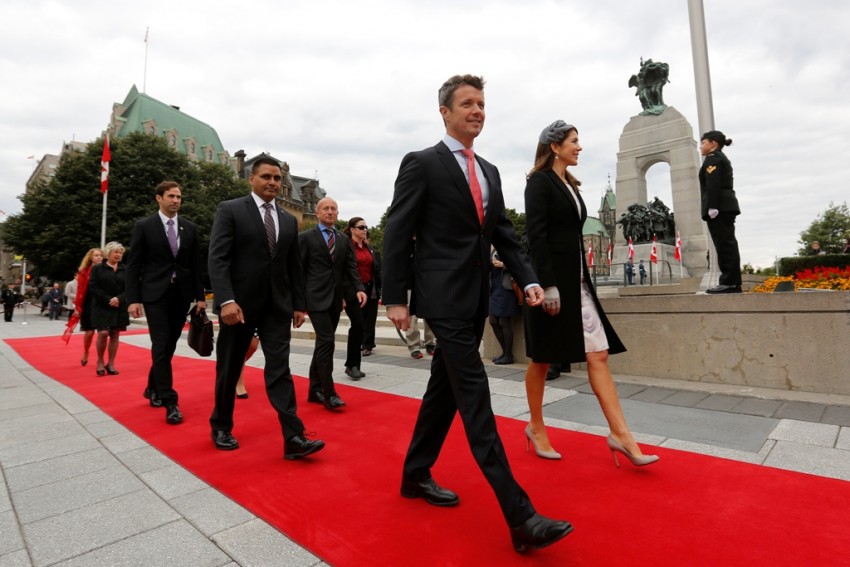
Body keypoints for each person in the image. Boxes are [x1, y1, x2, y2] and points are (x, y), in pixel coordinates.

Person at [382, 74, 571, 553]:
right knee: (474, 397)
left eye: (482, 103)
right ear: (444, 112)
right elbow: (398, 229)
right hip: (441, 297)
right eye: (467, 103)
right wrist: (395, 296)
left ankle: (415, 474)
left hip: (476, 298)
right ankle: (520, 516)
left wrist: (529, 277)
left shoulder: (489, 170)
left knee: (442, 393)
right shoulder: (421, 163)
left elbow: (502, 232)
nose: (477, 111)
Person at [523, 120, 659, 471]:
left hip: (578, 283)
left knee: (598, 355)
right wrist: (547, 284)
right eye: (573, 141)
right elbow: (536, 236)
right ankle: (535, 426)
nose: (579, 147)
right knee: (542, 358)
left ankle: (621, 435)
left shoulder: (570, 184)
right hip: (551, 284)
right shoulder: (539, 182)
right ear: (555, 147)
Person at [208, 155, 324, 459]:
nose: (273, 182)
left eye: (277, 178)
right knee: (229, 367)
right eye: (266, 177)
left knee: (280, 369)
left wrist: (298, 304)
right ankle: (221, 426)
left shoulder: (288, 220)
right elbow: (218, 258)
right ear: (252, 179)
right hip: (239, 307)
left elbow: (293, 265)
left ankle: (293, 437)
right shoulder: (230, 209)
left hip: (277, 308)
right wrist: (226, 300)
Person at [126, 181, 207, 425]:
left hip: (180, 294)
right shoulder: (144, 226)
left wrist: (200, 297)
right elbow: (134, 265)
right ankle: (169, 400)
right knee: (161, 344)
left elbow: (195, 265)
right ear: (159, 198)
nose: (176, 200)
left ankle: (153, 387)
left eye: (179, 197)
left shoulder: (189, 228)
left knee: (168, 345)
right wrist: (133, 299)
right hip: (155, 295)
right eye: (171, 196)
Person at [299, 197, 366, 410]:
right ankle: (329, 393)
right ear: (317, 213)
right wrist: (298, 303)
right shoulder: (305, 238)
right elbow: (298, 271)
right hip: (314, 298)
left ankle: (314, 390)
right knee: (327, 342)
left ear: (337, 213)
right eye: (325, 208)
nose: (330, 211)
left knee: (323, 343)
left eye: (333, 209)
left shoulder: (343, 240)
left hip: (336, 299)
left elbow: (350, 267)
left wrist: (359, 288)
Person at [699, 130, 742, 294]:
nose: (701, 146)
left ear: (713, 144)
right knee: (726, 243)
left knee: (725, 245)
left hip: (720, 207)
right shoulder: (718, 157)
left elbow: (713, 183)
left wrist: (713, 206)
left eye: (703, 143)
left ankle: (729, 283)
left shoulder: (713, 158)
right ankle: (732, 282)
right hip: (724, 205)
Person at [342, 216, 381, 380]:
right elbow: (342, 271)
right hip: (352, 292)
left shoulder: (369, 248)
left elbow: (376, 270)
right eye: (361, 227)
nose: (365, 230)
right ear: (352, 230)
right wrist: (342, 295)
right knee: (357, 324)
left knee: (367, 324)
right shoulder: (346, 246)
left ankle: (357, 362)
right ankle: (351, 365)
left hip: (370, 292)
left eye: (366, 227)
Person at [88, 242, 129, 376]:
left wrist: (119, 299)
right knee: (103, 333)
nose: (118, 255)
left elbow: (130, 288)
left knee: (115, 334)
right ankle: (100, 361)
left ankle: (110, 363)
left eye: (120, 252)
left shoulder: (125, 269)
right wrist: (109, 299)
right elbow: (93, 287)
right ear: (108, 253)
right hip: (102, 306)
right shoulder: (98, 268)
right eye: (116, 252)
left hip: (119, 306)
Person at [398, 237, 436, 359]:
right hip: (409, 285)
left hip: (427, 283)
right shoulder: (404, 244)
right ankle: (414, 346)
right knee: (411, 318)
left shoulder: (428, 241)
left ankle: (430, 343)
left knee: (430, 315)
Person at [489, 250, 521, 365]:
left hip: (506, 289)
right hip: (494, 288)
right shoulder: (492, 249)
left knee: (504, 321)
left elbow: (520, 266)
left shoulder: (509, 247)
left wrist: (503, 265)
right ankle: (505, 353)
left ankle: (508, 355)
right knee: (493, 320)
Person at [73, 248, 104, 365]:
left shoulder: (106, 269)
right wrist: (77, 307)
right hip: (88, 303)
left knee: (103, 332)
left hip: (102, 302)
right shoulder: (84, 272)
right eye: (96, 255)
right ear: (91, 258)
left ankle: (100, 359)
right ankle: (86, 351)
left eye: (100, 255)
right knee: (90, 332)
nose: (99, 257)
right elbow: (80, 290)